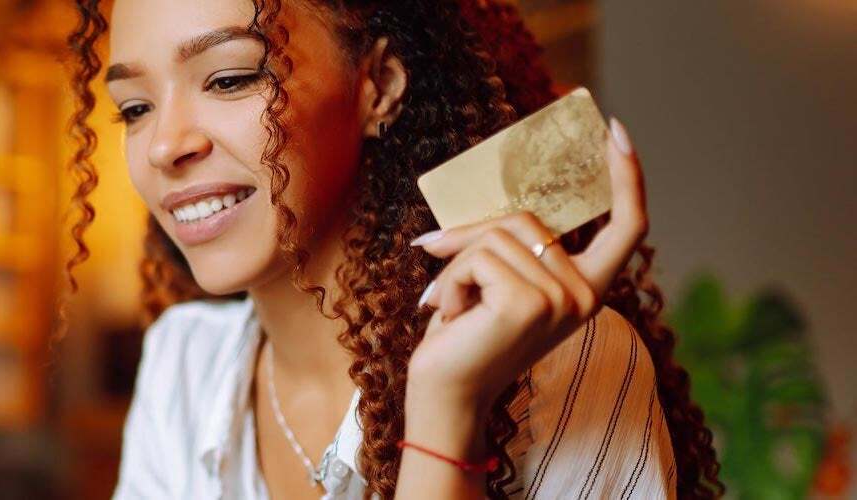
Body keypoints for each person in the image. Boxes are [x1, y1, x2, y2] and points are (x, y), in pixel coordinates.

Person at [63, 0, 724, 498]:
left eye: (230, 78)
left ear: (377, 84)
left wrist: (448, 412)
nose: (160, 146)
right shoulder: (184, 363)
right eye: (134, 108)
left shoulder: (562, 368)